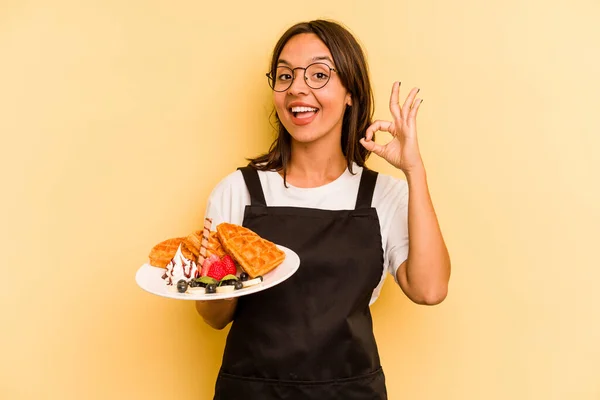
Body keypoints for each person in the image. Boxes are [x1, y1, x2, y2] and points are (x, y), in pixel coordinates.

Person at [195, 19, 451, 400]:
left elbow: (429, 290)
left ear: (351, 92)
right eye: (285, 76)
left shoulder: (383, 195)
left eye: (318, 74)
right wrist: (222, 274)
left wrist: (414, 170)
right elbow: (213, 318)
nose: (298, 88)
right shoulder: (238, 191)